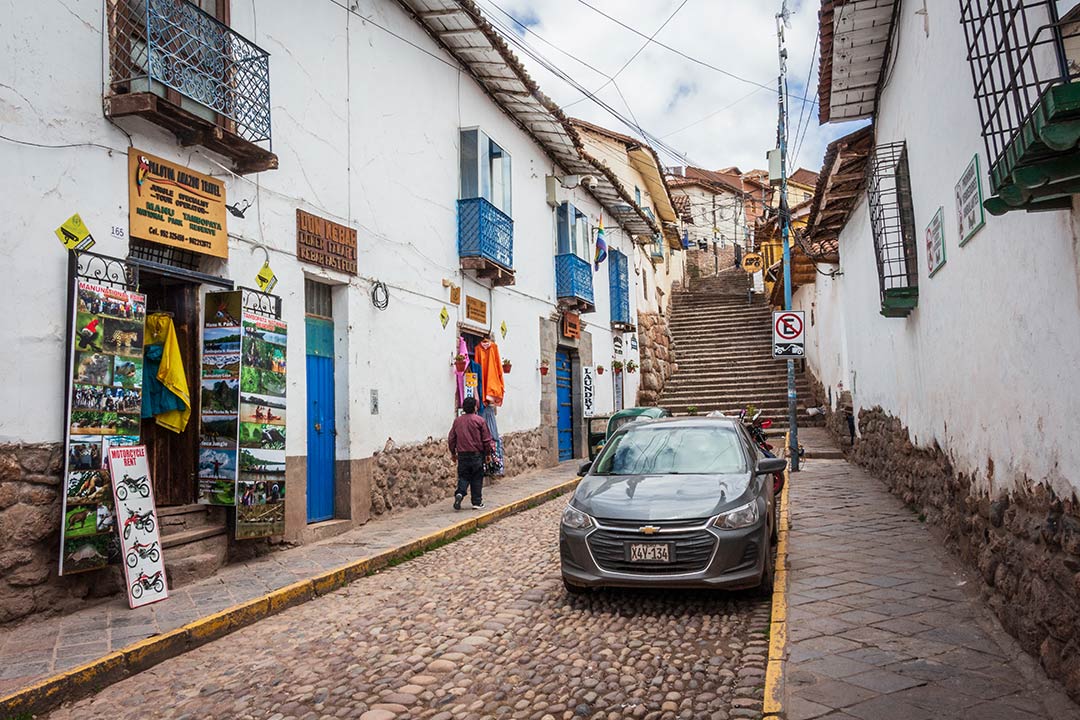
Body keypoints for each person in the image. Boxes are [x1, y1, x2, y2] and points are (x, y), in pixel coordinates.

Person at [448, 396, 495, 510]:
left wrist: (453, 453)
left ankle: (460, 492)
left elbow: (451, 438)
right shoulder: (480, 421)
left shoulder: (457, 421)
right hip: (476, 455)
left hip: (463, 455)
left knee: (463, 477)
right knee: (476, 478)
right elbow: (486, 439)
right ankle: (476, 502)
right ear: (475, 407)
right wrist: (488, 454)